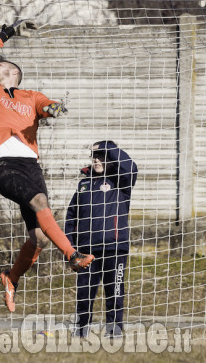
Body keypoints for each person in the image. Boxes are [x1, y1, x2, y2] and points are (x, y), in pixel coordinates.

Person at [0, 20, 95, 313]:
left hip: (31, 168)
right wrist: (8, 32)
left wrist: (51, 108)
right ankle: (72, 255)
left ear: (13, 73)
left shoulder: (30, 97)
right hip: (5, 167)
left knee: (39, 237)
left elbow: (45, 104)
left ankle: (11, 276)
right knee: (40, 201)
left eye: (1, 67)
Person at [65, 141, 138, 338]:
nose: (96, 159)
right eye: (94, 156)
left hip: (115, 248)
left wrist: (106, 146)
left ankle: (114, 330)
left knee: (114, 291)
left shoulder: (121, 182)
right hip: (86, 251)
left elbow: (131, 166)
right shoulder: (83, 185)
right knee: (84, 293)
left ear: (112, 159)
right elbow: (71, 217)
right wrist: (69, 248)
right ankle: (81, 330)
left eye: (102, 155)